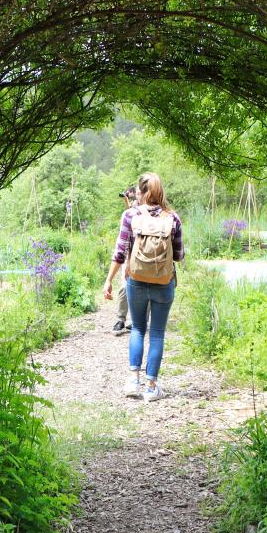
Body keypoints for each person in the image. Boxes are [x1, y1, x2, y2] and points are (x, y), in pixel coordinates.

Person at [103, 172, 184, 402]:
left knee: (138, 329)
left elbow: (119, 252)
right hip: (163, 283)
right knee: (157, 333)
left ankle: (132, 381)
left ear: (141, 191)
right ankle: (151, 387)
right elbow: (178, 255)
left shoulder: (130, 215)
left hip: (136, 281)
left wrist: (108, 281)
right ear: (160, 191)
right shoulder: (173, 218)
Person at [112, 186, 137, 335]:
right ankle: (121, 319)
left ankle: (136, 321)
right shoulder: (130, 211)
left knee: (142, 288)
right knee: (124, 287)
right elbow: (129, 216)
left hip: (142, 257)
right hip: (129, 256)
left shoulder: (147, 208)